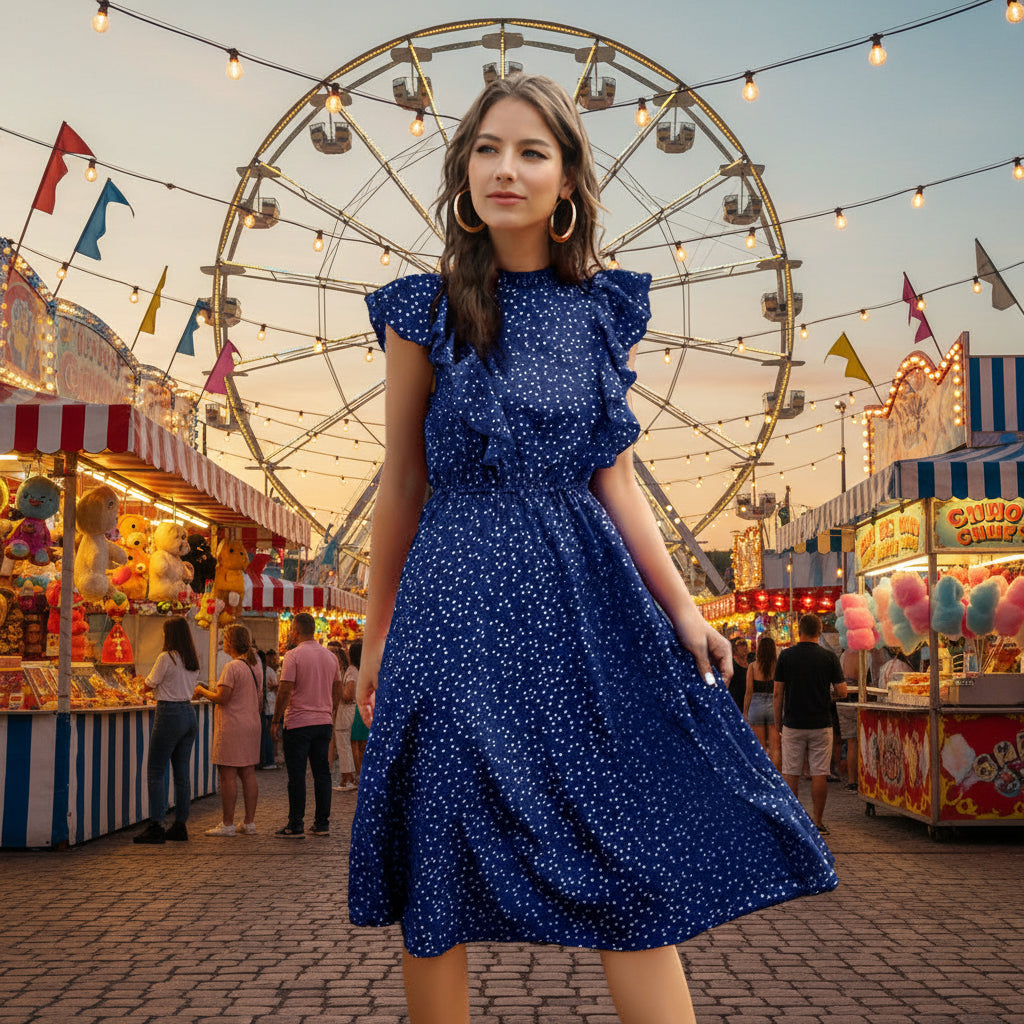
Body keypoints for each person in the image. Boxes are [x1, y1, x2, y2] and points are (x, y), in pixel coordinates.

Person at [349, 73, 837, 1024]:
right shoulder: (423, 309)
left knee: (626, 832)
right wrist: (376, 633)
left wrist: (685, 607)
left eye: (533, 151)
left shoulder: (598, 310)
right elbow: (401, 482)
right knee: (439, 824)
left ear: (567, 181)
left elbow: (615, 479)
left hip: (583, 598)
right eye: (488, 148)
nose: (507, 168)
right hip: (454, 596)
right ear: (462, 170)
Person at [773, 614, 847, 835]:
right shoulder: (829, 657)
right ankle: (817, 821)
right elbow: (842, 691)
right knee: (819, 773)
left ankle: (793, 822)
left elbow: (778, 693)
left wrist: (779, 722)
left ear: (799, 631)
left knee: (791, 772)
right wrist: (826, 696)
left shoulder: (786, 656)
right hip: (821, 723)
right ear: (819, 632)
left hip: (793, 723)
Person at [270, 612, 342, 837]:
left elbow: (285, 689)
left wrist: (275, 719)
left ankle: (296, 823)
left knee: (297, 774)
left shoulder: (293, 656)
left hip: (299, 722)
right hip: (323, 722)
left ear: (296, 630)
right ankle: (322, 823)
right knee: (322, 772)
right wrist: (332, 710)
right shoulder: (331, 657)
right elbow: (337, 688)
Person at [133, 617, 200, 844]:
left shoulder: (166, 657)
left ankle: (157, 825)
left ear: (169, 635)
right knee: (181, 773)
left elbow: (148, 685)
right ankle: (180, 824)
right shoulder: (192, 659)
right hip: (188, 714)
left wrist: (142, 685)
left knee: (155, 770)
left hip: (169, 714)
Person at [193, 623, 262, 836]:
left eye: (225, 639)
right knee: (248, 773)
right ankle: (249, 822)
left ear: (231, 643)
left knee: (227, 775)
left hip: (233, 724)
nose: (222, 642)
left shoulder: (232, 667)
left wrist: (202, 690)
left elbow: (223, 697)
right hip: (251, 722)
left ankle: (228, 823)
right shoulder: (255, 665)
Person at [744, 635, 780, 768]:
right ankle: (776, 777)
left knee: (760, 747)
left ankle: (764, 775)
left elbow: (749, 692)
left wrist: (745, 712)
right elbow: (781, 689)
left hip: (756, 705)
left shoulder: (753, 666)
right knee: (776, 747)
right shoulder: (778, 666)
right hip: (774, 705)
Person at [330, 644, 357, 791]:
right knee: (345, 744)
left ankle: (348, 778)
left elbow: (348, 695)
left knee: (344, 744)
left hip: (346, 711)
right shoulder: (351, 670)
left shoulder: (351, 672)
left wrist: (338, 689)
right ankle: (347, 777)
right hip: (347, 711)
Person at [836, 648, 859, 791]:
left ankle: (852, 780)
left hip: (843, 701)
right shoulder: (863, 655)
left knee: (851, 742)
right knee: (861, 740)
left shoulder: (843, 655)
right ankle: (861, 778)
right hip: (857, 700)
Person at [347, 640, 368, 778]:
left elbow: (348, 693)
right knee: (364, 744)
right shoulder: (367, 669)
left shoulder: (352, 671)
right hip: (366, 707)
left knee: (355, 743)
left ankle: (359, 774)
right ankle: (364, 773)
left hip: (355, 708)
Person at [728, 637, 749, 708]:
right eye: (741, 645)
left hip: (748, 700)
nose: (745, 647)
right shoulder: (730, 662)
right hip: (734, 699)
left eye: (745, 645)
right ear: (734, 647)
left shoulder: (750, 660)